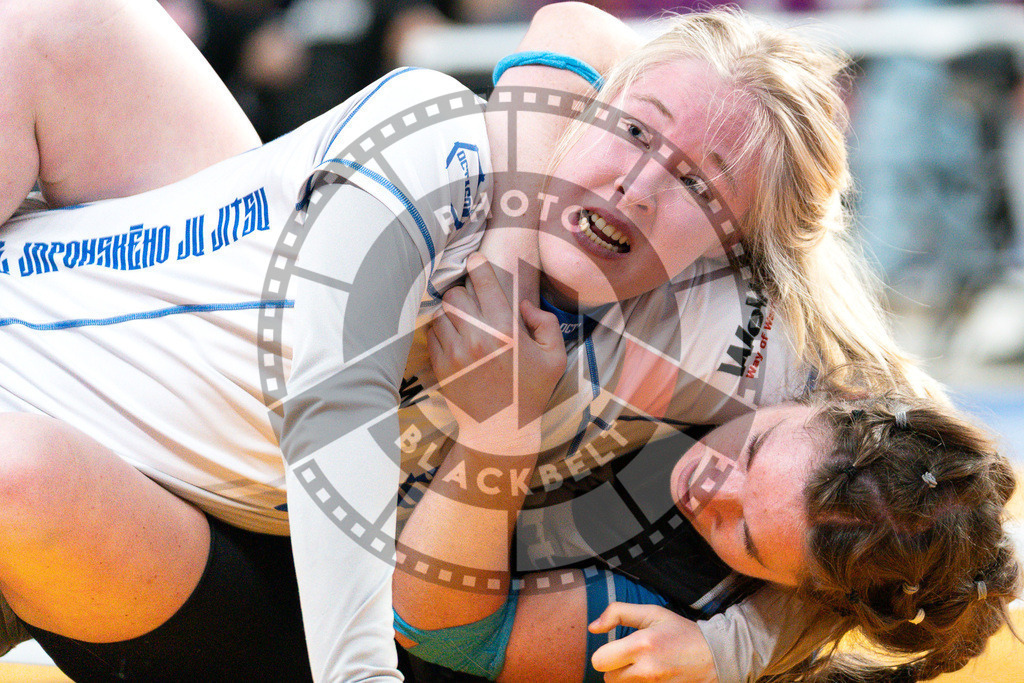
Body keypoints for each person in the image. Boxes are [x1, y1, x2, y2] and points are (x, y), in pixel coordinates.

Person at [0, 1, 947, 680]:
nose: (714, 486)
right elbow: (579, 28)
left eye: (696, 187)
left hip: (223, 519)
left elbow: (904, 528)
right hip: (166, 339)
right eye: (638, 132)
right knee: (54, 23)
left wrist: (740, 639)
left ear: (732, 250)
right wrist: (504, 260)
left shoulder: (752, 365)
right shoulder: (458, 154)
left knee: (23, 471)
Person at [393, 254, 1020, 682]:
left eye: (741, 533)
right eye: (752, 450)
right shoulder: (810, 340)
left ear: (799, 593)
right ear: (834, 398)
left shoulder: (691, 616)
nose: (710, 486)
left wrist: (498, 434)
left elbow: (447, 634)